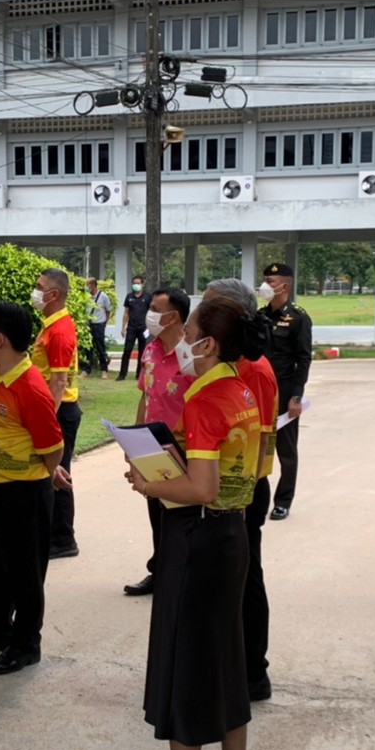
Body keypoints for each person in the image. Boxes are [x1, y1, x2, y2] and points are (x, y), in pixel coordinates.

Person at [126, 295, 264, 750]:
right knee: (226, 654)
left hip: (199, 538)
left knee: (186, 662)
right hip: (231, 535)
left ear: (207, 344)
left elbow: (201, 488)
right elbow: (229, 473)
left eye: (188, 333)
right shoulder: (241, 389)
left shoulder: (205, 399)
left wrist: (150, 483)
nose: (180, 341)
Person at [0, 300, 69, 676]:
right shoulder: (0, 378)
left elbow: (53, 446)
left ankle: (26, 644)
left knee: (25, 573)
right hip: (0, 492)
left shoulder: (29, 387)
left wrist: (49, 472)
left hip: (26, 494)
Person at [203, 278, 279, 703]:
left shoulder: (255, 368)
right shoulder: (224, 364)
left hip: (243, 491)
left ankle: (253, 672)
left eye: (211, 309)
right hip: (223, 488)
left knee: (247, 580)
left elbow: (260, 439)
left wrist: (240, 495)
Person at [122, 286, 190, 598]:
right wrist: (133, 442)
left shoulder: (192, 355)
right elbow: (145, 396)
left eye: (155, 309)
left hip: (183, 445)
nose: (148, 314)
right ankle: (160, 570)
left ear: (173, 317)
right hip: (151, 445)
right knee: (157, 511)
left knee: (181, 514)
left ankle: (181, 576)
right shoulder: (150, 350)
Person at [32, 268, 81, 560]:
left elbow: (59, 382)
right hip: (57, 409)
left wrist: (46, 421)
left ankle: (63, 538)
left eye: (39, 287)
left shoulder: (60, 331)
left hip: (60, 411)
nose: (35, 291)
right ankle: (55, 533)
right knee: (53, 471)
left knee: (57, 472)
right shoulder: (51, 325)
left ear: (54, 294)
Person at [261, 262, 312, 520]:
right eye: (265, 280)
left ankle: (283, 501)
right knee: (258, 444)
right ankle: (255, 497)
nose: (265, 285)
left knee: (286, 449)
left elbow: (303, 359)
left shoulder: (298, 318)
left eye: (270, 281)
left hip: (284, 389)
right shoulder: (260, 316)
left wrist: (296, 397)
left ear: (285, 285)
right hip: (260, 391)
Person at [117, 275, 150, 381]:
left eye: (138, 283)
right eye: (134, 283)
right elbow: (126, 313)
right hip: (131, 328)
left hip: (143, 328)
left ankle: (139, 375)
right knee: (127, 350)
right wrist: (123, 327)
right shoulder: (129, 296)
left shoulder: (147, 297)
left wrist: (150, 327)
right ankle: (122, 374)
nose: (136, 285)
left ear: (142, 284)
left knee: (142, 351)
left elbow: (151, 312)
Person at [84, 277, 113, 376]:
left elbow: (108, 310)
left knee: (101, 348)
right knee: (88, 348)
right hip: (88, 325)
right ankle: (87, 370)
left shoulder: (103, 296)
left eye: (87, 285)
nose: (86, 287)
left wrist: (104, 322)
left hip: (99, 325)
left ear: (93, 285)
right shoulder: (86, 296)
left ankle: (104, 370)